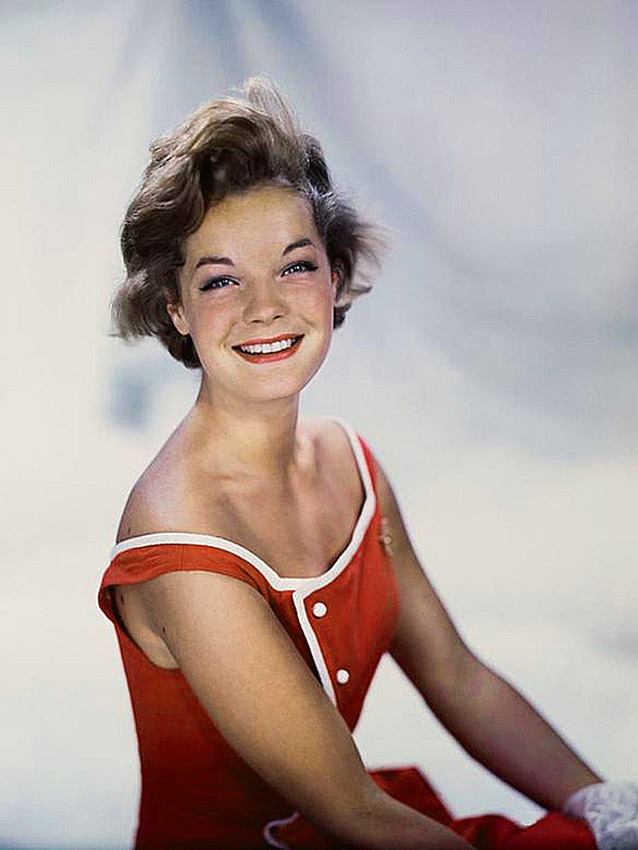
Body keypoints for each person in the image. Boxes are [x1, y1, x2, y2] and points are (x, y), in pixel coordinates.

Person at [99, 78, 637, 850]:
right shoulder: (179, 540)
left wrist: (607, 808)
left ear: (334, 275)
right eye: (220, 280)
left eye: (294, 266)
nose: (264, 306)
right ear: (176, 308)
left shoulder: (350, 464)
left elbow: (456, 674)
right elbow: (352, 811)